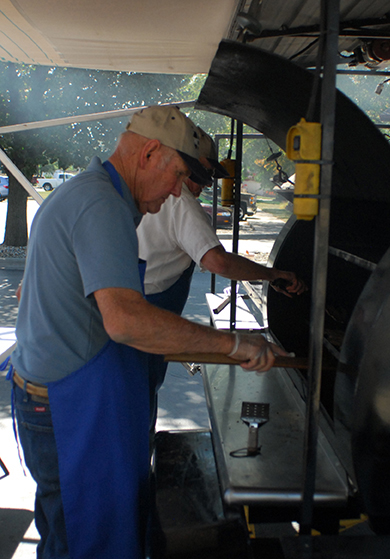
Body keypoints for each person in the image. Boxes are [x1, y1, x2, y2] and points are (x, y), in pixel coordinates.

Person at [8, 105, 287, 559]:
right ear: (150, 153)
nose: (178, 191)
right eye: (177, 175)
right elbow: (127, 320)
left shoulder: (92, 193)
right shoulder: (101, 206)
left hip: (60, 392)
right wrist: (233, 344)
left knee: (66, 533)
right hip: (67, 404)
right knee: (86, 541)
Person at [137, 128, 306, 431]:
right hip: (145, 312)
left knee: (137, 403)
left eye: (207, 178)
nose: (202, 186)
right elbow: (218, 261)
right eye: (199, 176)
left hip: (140, 309)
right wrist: (274, 274)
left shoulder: (145, 191)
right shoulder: (182, 202)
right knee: (136, 405)